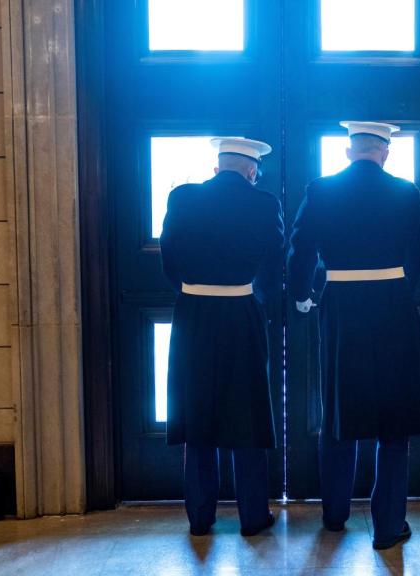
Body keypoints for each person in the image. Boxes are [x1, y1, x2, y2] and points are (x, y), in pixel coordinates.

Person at [288, 121, 420, 550]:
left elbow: (300, 252)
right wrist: (397, 288)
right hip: (392, 305)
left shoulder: (321, 190)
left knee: (339, 413)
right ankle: (389, 526)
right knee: (394, 420)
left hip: (340, 307)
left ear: (350, 152)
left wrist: (303, 296)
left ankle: (334, 517)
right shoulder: (406, 191)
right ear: (385, 152)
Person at [159, 137, 284, 537]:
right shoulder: (264, 203)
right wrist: (258, 296)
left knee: (197, 413)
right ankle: (252, 516)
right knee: (246, 413)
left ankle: (200, 516)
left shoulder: (182, 197)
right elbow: (274, 265)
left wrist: (193, 288)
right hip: (241, 312)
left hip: (194, 313)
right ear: (251, 171)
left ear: (217, 167)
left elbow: (169, 258)